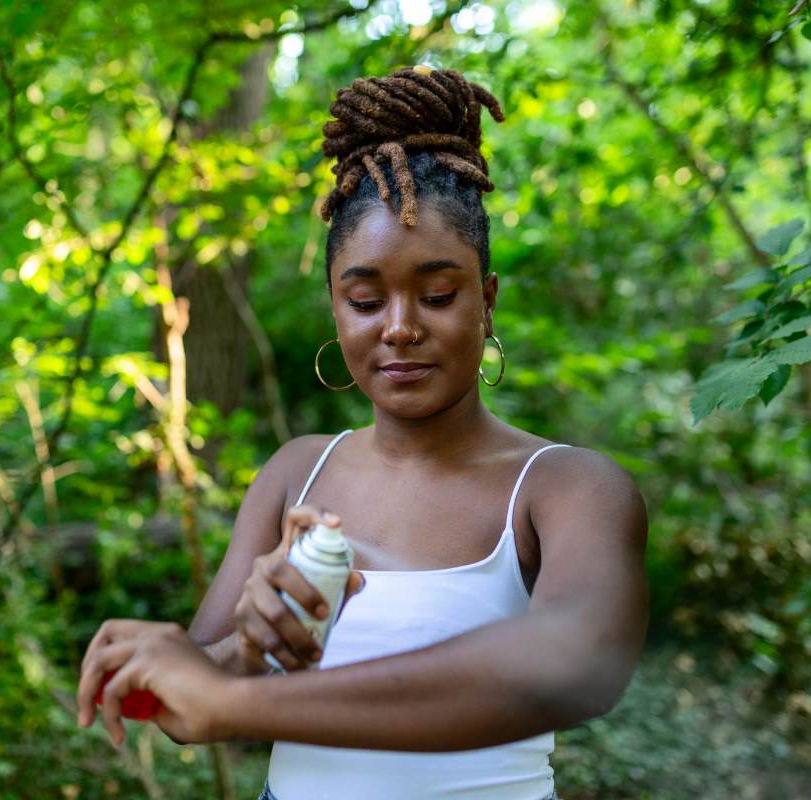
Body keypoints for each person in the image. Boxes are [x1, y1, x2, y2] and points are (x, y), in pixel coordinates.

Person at [76, 66, 649, 800]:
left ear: (487, 301)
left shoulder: (566, 487)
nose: (401, 327)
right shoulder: (297, 474)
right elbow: (191, 708)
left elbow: (580, 662)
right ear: (336, 310)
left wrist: (239, 702)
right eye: (366, 299)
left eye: (438, 295)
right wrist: (241, 656)